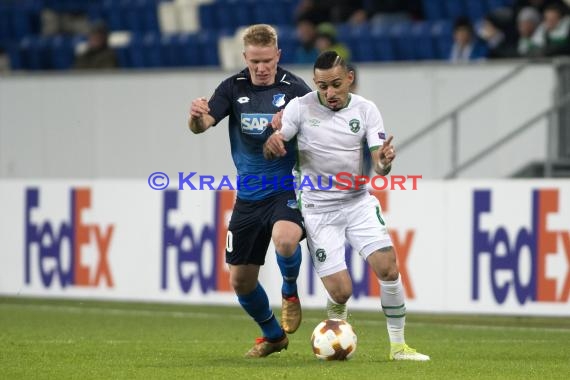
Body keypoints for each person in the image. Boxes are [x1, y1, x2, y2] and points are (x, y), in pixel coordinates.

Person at [263, 51, 430, 362]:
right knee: (341, 292)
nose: (329, 93)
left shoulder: (366, 109)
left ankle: (399, 347)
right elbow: (276, 142)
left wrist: (385, 162)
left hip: (357, 203)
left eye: (336, 84)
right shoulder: (300, 108)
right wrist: (273, 144)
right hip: (318, 210)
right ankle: (336, 322)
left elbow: (379, 160)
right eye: (322, 86)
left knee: (389, 269)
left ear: (349, 79)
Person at [188, 24, 311, 358]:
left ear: (278, 56)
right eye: (254, 61)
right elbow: (203, 126)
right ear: (245, 57)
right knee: (241, 282)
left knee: (285, 240)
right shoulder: (232, 87)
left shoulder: (296, 90)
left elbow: (316, 133)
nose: (261, 68)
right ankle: (273, 336)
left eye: (267, 60)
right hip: (248, 197)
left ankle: (289, 292)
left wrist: (287, 135)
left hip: (284, 188)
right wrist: (196, 117)